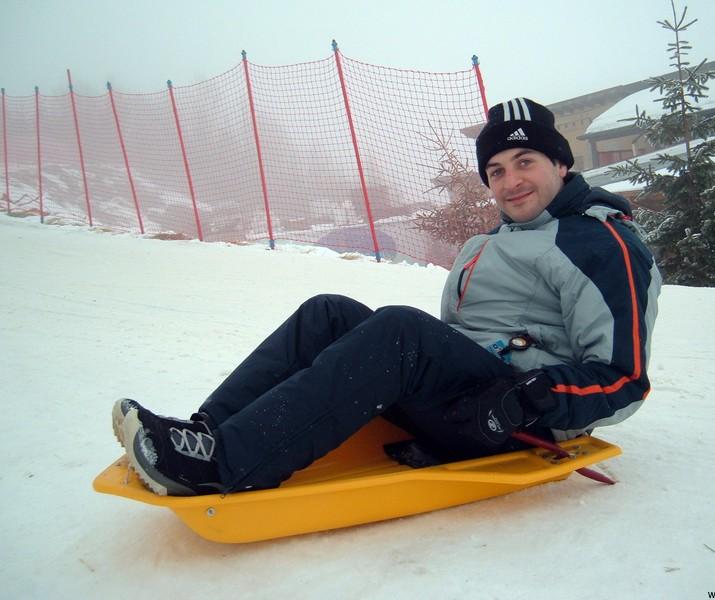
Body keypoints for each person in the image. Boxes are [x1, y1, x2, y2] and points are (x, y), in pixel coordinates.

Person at [115, 97, 661, 496]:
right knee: (328, 313)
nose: (510, 180)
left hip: (518, 419)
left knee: (401, 331)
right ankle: (207, 433)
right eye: (496, 170)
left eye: (526, 162)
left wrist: (525, 398)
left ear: (561, 164)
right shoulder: (496, 238)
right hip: (469, 403)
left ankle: (225, 465)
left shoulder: (601, 243)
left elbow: (624, 379)